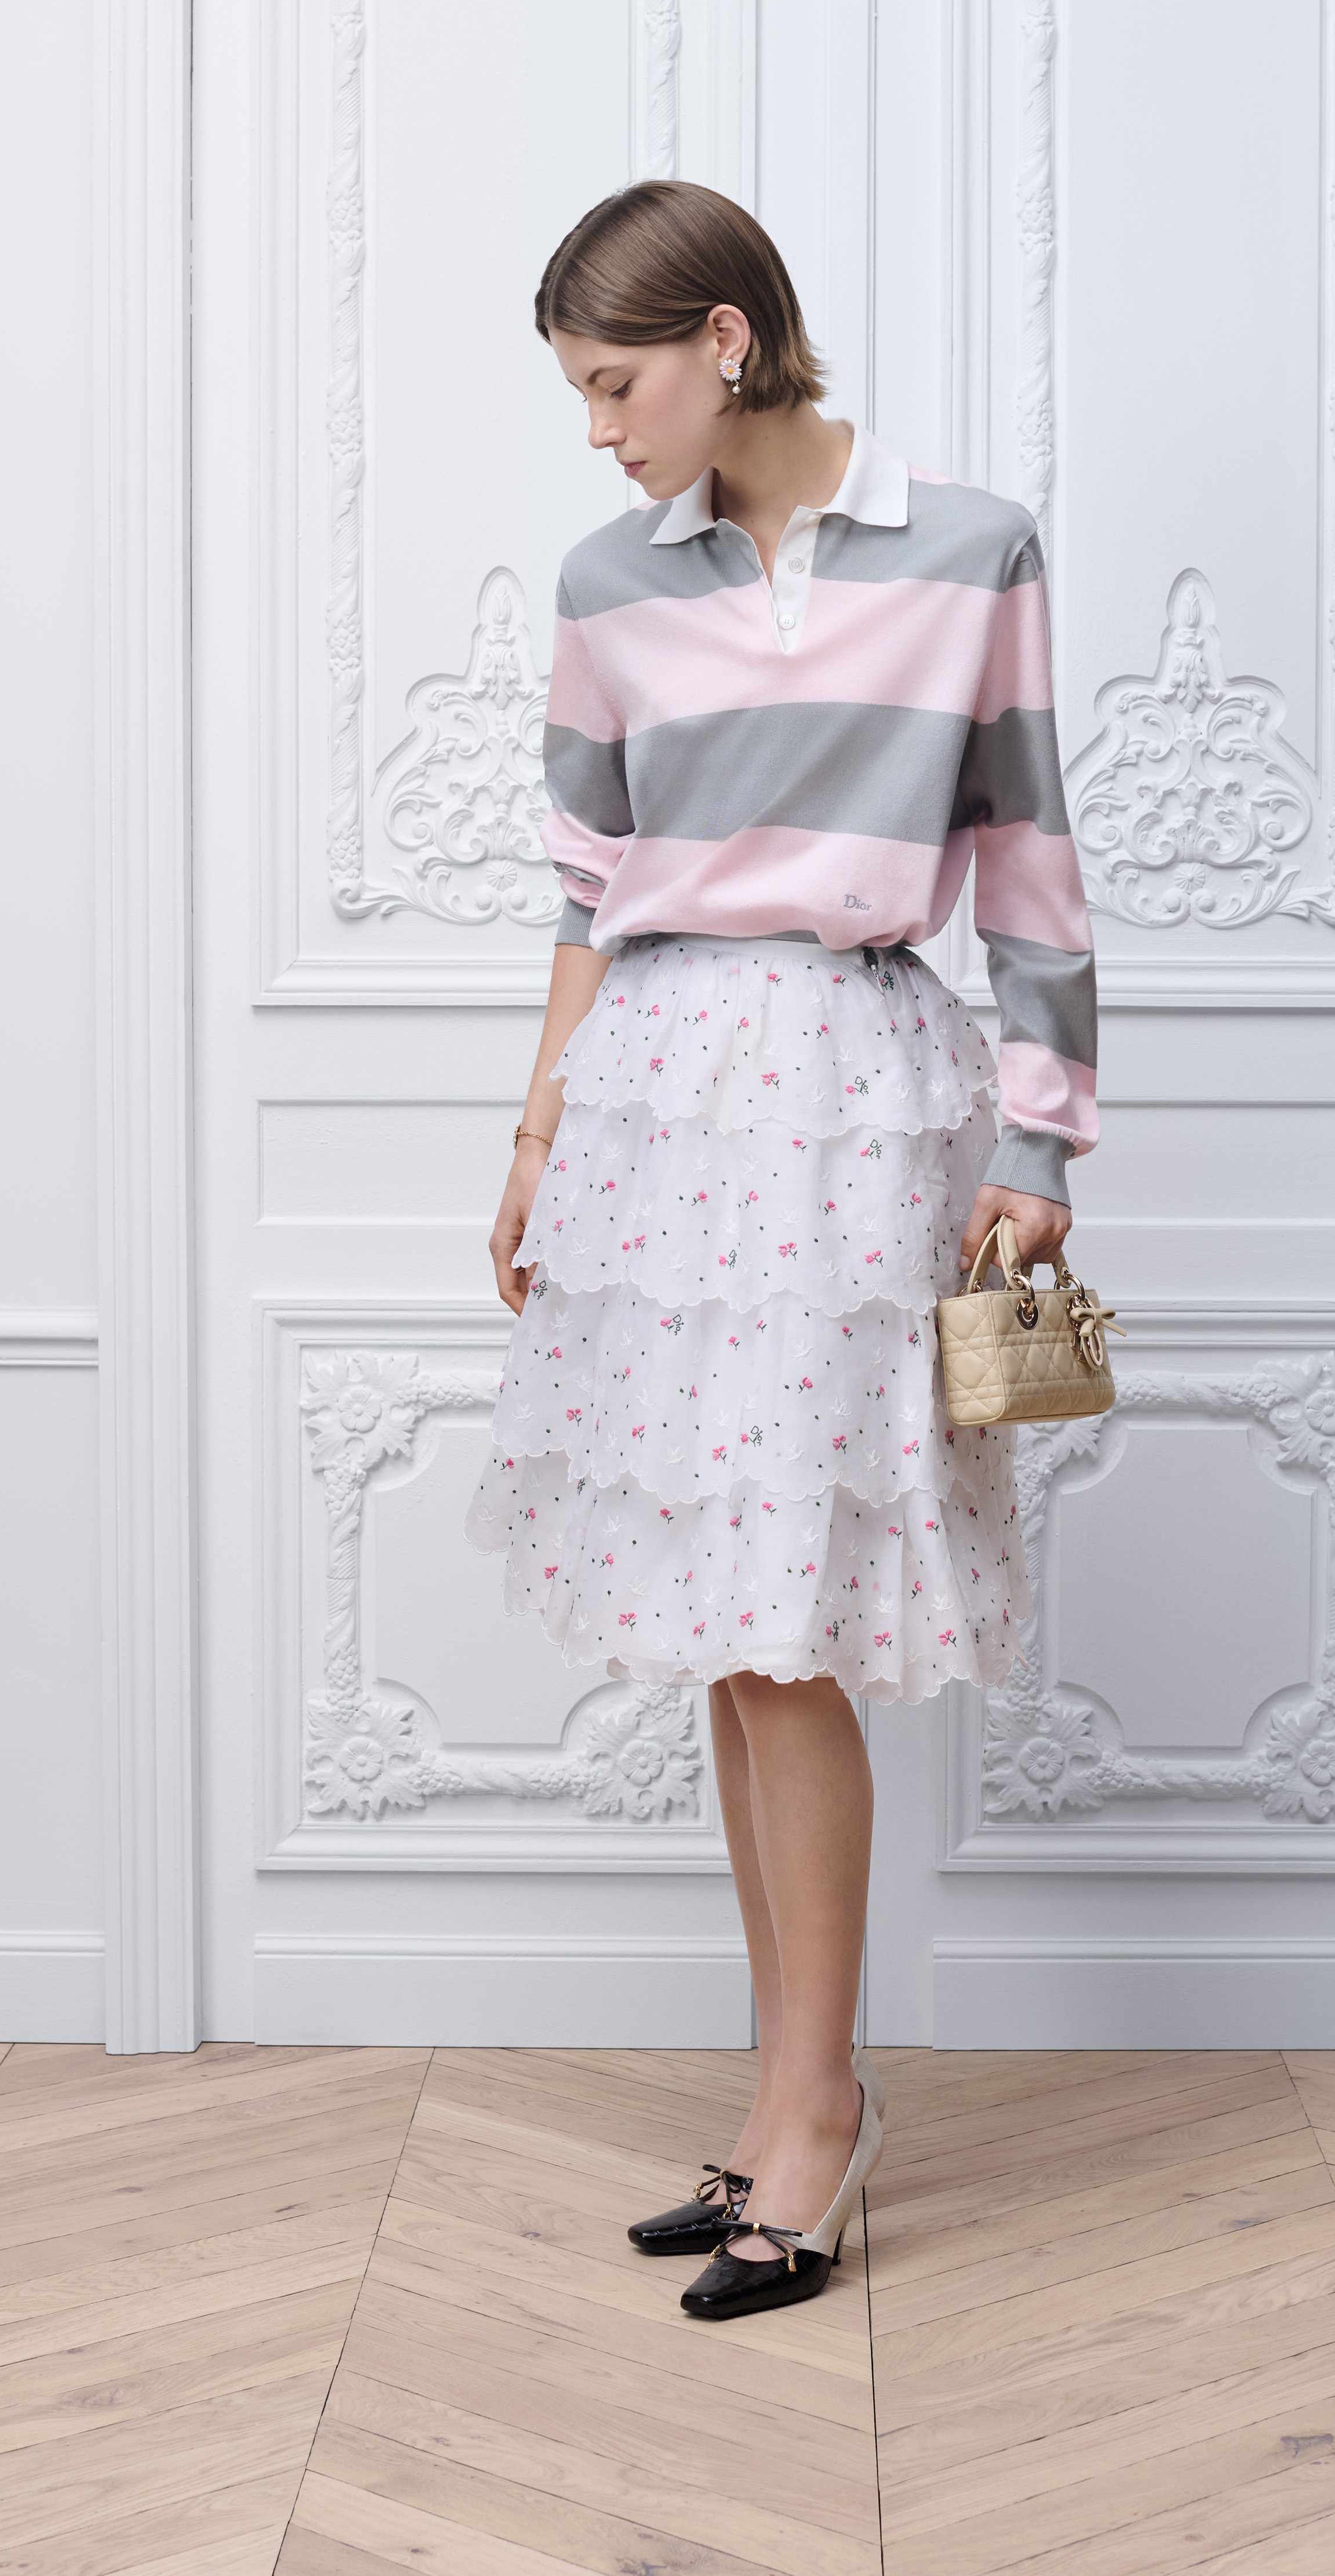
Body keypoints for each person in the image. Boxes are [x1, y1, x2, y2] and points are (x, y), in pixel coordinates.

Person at [466, 179, 1098, 2321]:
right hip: (657, 1102)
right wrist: (538, 1135)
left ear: (727, 339)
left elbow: (1025, 855)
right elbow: (590, 885)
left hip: (850, 1099)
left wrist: (1047, 1137)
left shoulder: (971, 547)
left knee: (789, 1621)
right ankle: (782, 2100)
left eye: (614, 384)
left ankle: (817, 2112)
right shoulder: (611, 582)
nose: (598, 432)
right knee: (736, 1633)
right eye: (578, 394)